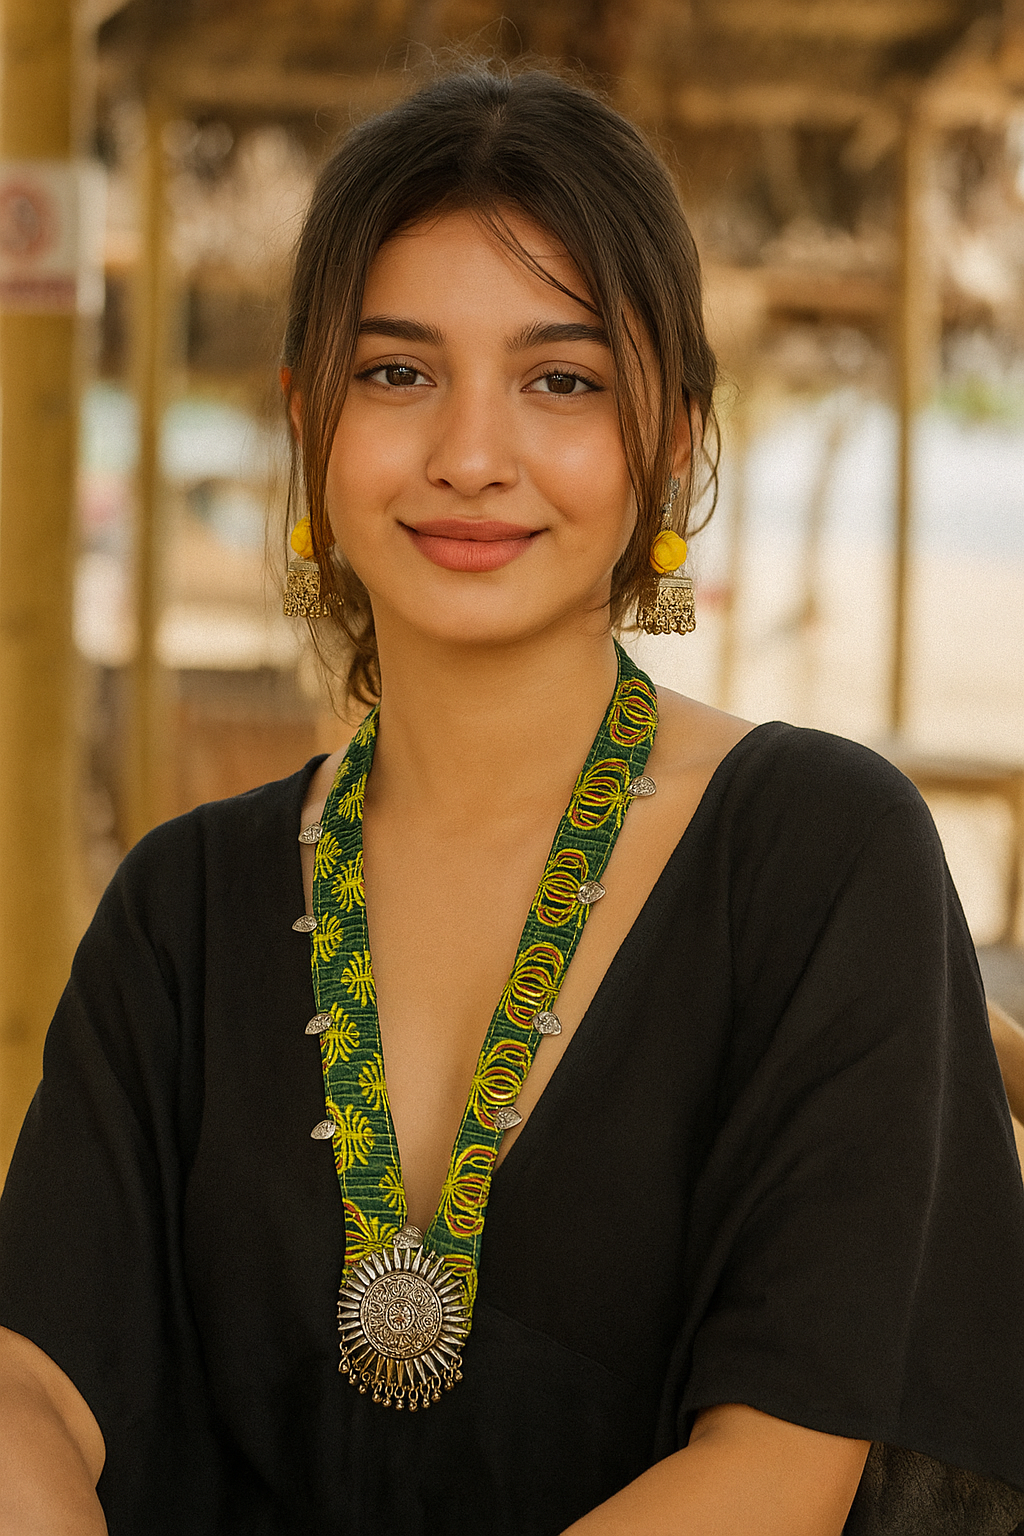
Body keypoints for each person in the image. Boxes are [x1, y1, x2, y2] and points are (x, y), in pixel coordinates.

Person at [1, 63, 1024, 1536]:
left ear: (674, 435)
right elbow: (30, 1380)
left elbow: (777, 1472)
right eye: (396, 374)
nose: (471, 457)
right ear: (308, 423)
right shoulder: (182, 906)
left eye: (563, 381)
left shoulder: (819, 853)